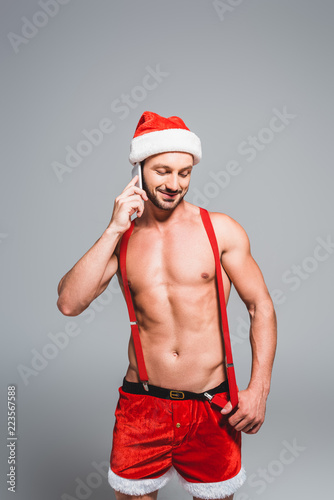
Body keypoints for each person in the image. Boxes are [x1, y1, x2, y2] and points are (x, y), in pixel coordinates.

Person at [57, 111, 277, 500]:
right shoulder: (121, 238)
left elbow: (260, 306)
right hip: (142, 406)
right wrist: (113, 229)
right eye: (162, 171)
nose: (174, 184)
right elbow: (69, 303)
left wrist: (259, 388)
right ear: (138, 168)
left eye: (184, 172)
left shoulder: (221, 230)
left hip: (212, 406)